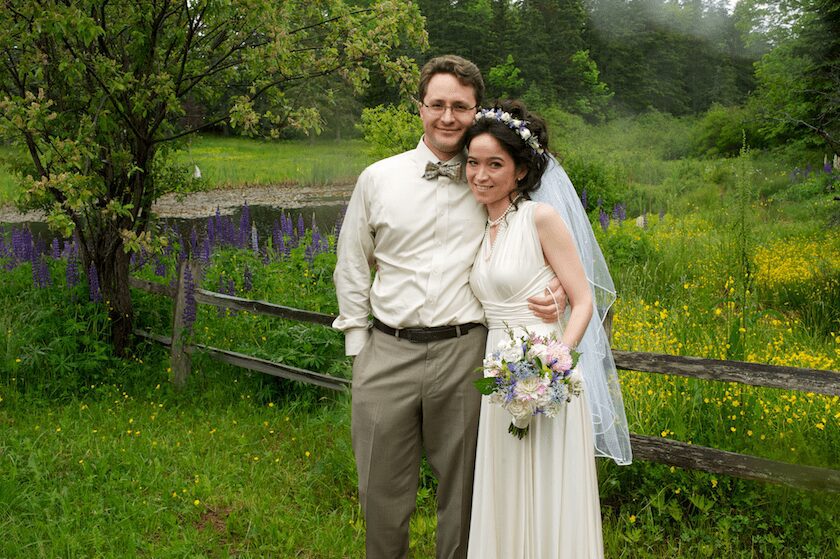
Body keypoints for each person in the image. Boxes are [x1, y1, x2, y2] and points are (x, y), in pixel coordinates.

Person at [333, 57, 562, 559]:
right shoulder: (378, 178)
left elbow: (536, 241)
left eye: (460, 106)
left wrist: (559, 291)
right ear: (420, 108)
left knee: (464, 493)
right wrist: (358, 346)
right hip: (386, 351)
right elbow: (352, 261)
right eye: (437, 104)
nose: (447, 116)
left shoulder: (491, 178)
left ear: (475, 110)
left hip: (466, 353)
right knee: (380, 489)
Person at [463, 100, 632, 559]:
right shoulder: (479, 223)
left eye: (495, 164)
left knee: (546, 477)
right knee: (504, 475)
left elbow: (584, 301)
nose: (480, 174)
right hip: (497, 374)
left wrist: (555, 362)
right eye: (473, 163)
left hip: (543, 372)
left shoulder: (540, 218)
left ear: (520, 170)